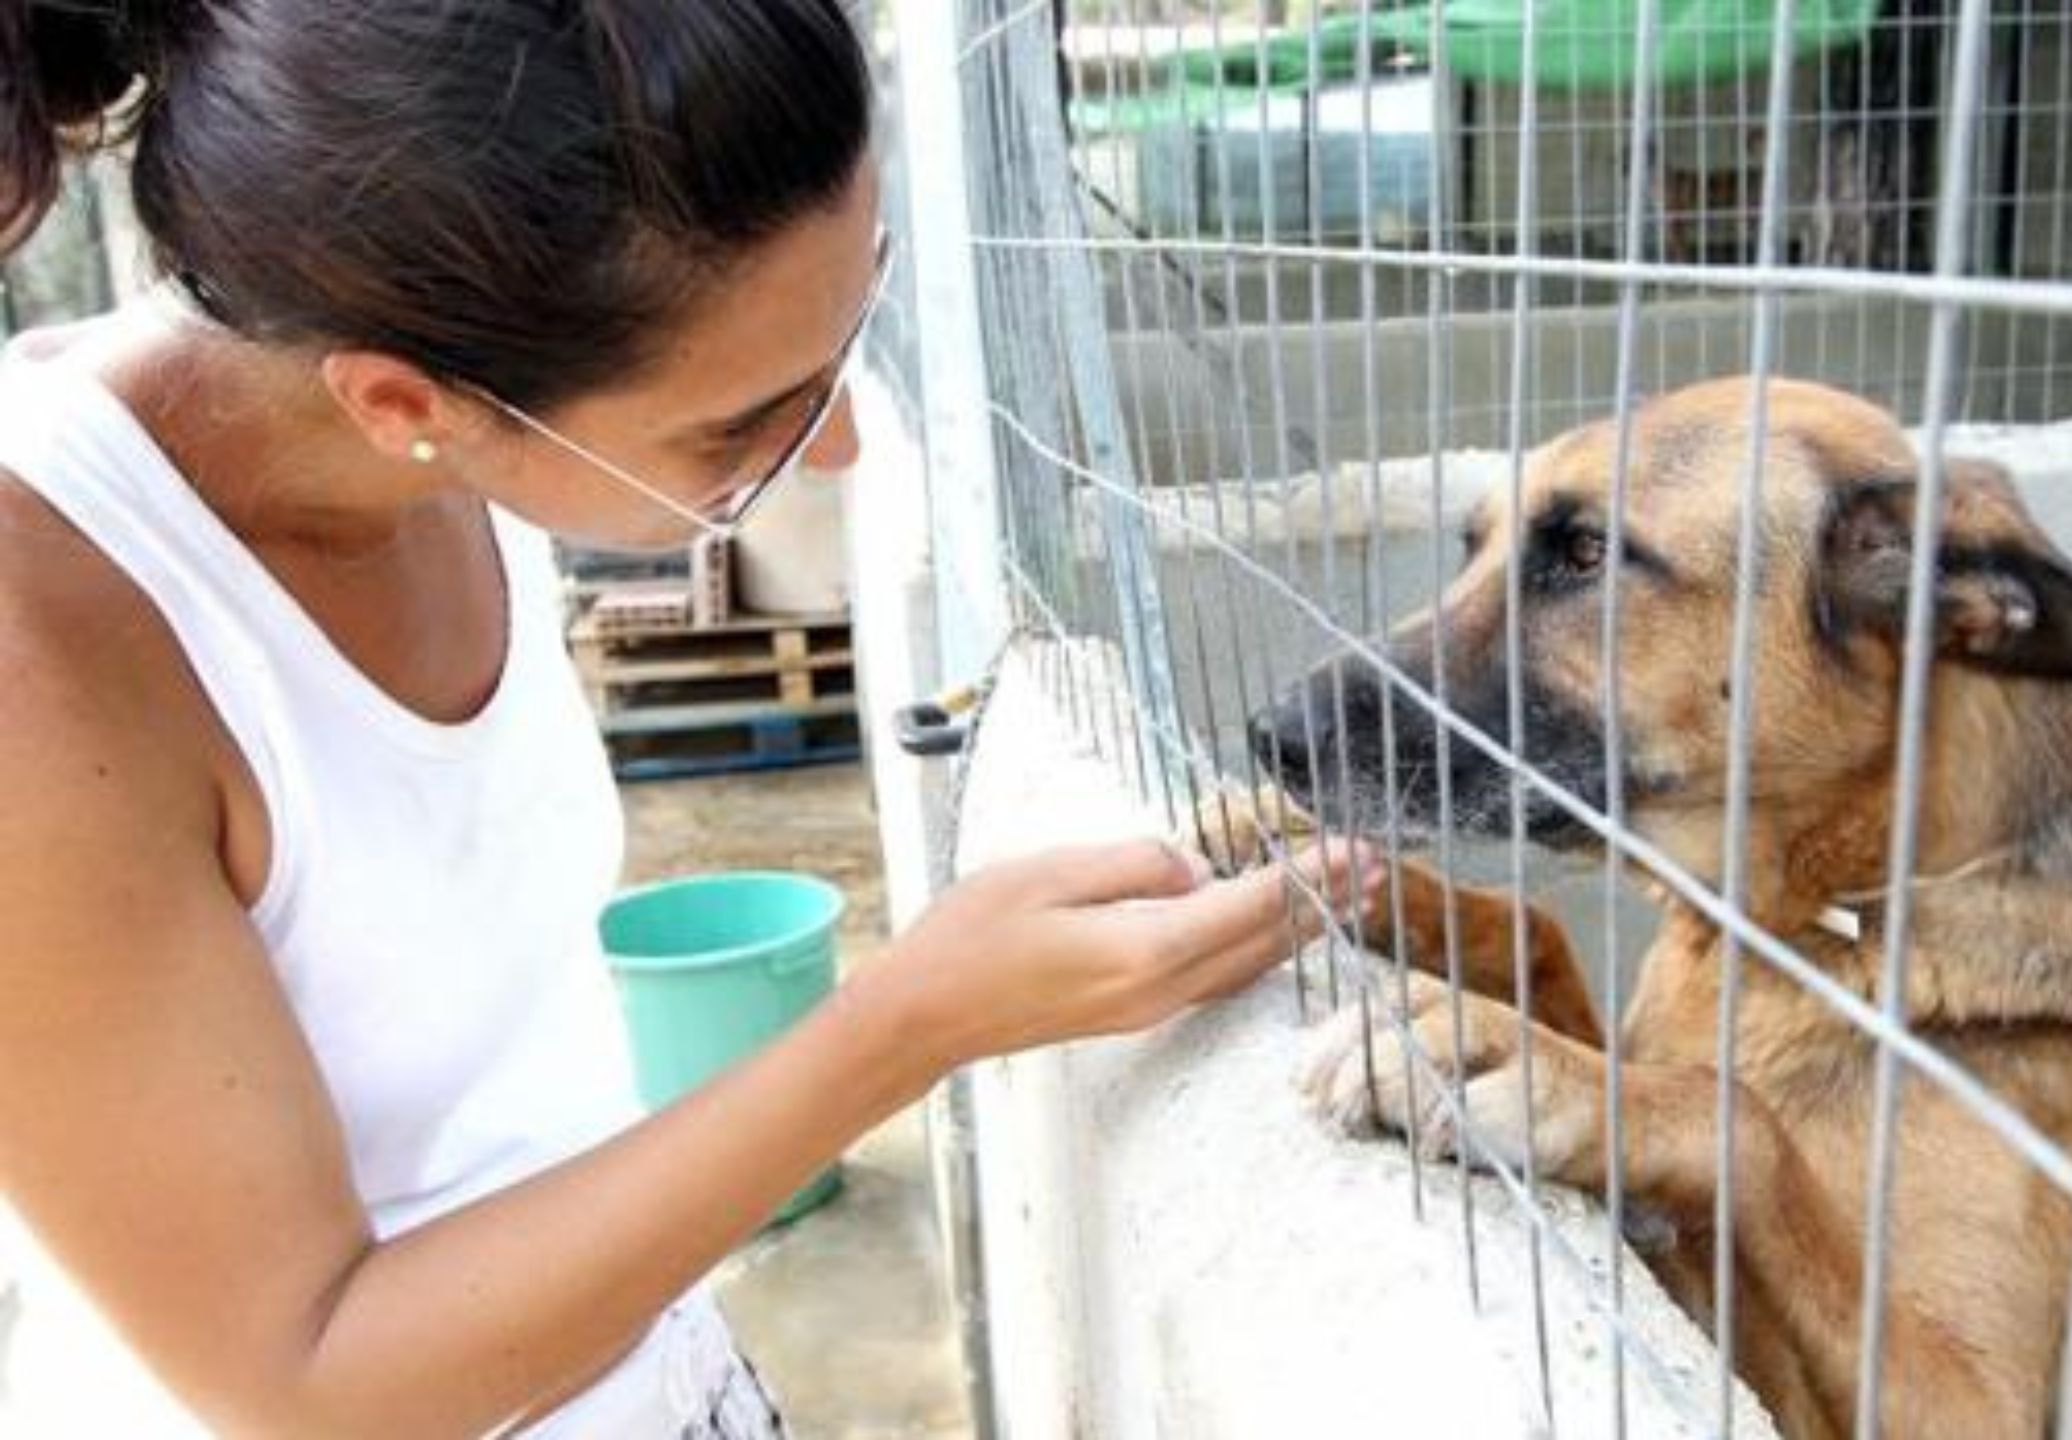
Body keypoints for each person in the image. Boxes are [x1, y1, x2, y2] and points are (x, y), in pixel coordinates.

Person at [0, 3, 1365, 1434]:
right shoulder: (52, 657)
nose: (832, 445)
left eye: (851, 331)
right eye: (736, 425)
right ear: (410, 403)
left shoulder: (427, 356)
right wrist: (908, 1022)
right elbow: (308, 1378)